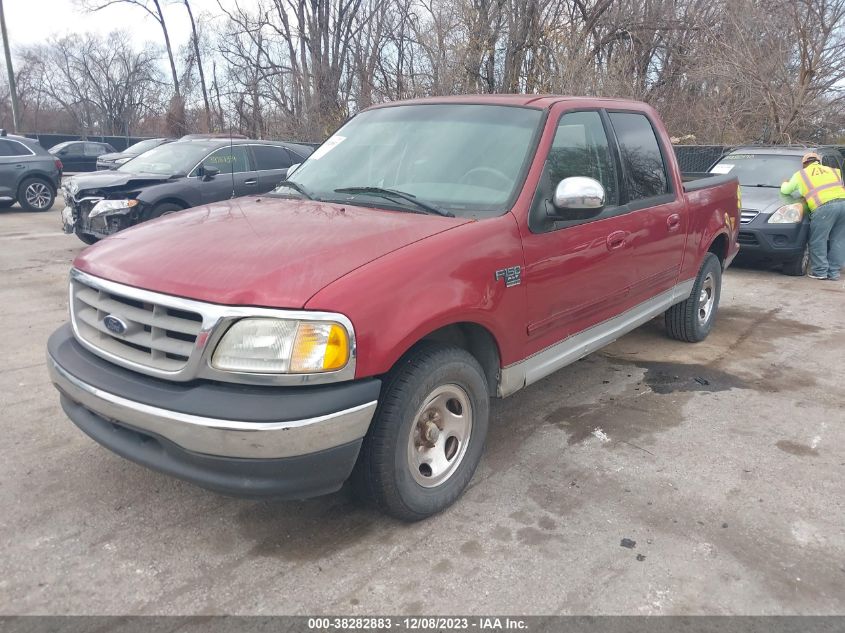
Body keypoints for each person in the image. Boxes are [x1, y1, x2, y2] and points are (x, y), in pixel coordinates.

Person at [780, 152, 845, 280]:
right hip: (843, 204)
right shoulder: (835, 171)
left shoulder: (801, 174)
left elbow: (786, 190)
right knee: (839, 240)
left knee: (818, 240)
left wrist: (784, 183)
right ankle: (834, 273)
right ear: (818, 161)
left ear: (804, 164)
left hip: (824, 207)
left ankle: (820, 272)